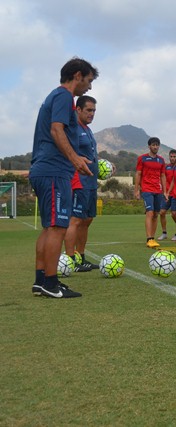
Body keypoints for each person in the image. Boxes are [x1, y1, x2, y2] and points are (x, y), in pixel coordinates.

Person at [30, 57, 98, 298]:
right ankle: (51, 283)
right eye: (89, 81)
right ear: (78, 75)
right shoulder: (63, 96)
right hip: (53, 171)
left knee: (50, 228)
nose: (89, 87)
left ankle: (41, 281)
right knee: (58, 227)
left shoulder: (55, 96)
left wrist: (76, 158)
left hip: (45, 169)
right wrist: (75, 159)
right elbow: (56, 130)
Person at [64, 95, 104, 272]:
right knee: (76, 220)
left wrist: (103, 164)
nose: (92, 114)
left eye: (94, 111)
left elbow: (89, 154)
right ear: (78, 110)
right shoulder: (72, 129)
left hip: (91, 183)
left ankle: (81, 258)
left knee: (87, 220)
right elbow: (66, 151)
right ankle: (70, 259)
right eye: (88, 110)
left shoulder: (87, 130)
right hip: (78, 182)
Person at [134, 137, 167, 248]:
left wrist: (165, 191)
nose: (155, 147)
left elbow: (163, 176)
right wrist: (137, 190)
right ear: (149, 146)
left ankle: (152, 238)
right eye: (153, 145)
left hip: (158, 190)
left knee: (156, 214)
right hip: (147, 189)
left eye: (157, 145)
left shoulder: (161, 160)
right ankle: (149, 238)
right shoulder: (142, 159)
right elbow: (138, 174)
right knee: (150, 212)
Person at [158, 149, 176, 241]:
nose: (172, 158)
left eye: (174, 156)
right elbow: (163, 179)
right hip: (167, 194)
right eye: (171, 156)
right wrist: (163, 191)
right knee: (162, 212)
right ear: (169, 157)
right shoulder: (166, 167)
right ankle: (164, 233)